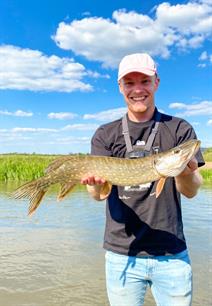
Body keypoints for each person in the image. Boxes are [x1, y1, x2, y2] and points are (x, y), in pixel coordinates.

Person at [81, 53, 205, 306]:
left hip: (172, 254)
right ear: (120, 87)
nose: (138, 89)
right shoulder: (105, 134)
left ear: (156, 83)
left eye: (145, 81)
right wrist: (94, 186)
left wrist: (185, 171)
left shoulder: (179, 129)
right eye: (129, 83)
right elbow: (99, 196)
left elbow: (191, 191)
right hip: (121, 254)